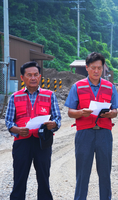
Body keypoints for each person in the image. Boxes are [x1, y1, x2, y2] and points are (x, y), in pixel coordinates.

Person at [65, 52, 118, 200]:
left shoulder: (110, 87)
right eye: (93, 68)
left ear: (103, 68)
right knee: (82, 173)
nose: (96, 71)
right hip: (84, 133)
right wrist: (80, 112)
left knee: (105, 173)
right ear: (87, 68)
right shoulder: (77, 86)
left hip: (104, 133)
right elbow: (70, 112)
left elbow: (115, 110)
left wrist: (111, 114)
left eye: (99, 68)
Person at [5, 61, 61, 200]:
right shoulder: (15, 97)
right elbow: (8, 121)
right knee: (19, 179)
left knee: (43, 179)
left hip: (42, 143)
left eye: (36, 74)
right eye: (29, 75)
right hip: (22, 143)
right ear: (22, 77)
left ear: (40, 76)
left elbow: (57, 119)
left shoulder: (49, 95)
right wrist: (16, 129)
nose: (33, 78)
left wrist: (53, 124)